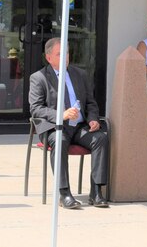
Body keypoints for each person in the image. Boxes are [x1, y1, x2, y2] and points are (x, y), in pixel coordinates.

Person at [29, 37, 109, 209]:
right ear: (49, 57)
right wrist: (61, 115)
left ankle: (96, 191)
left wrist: (93, 119)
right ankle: (64, 193)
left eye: (66, 53)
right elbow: (36, 109)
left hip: (79, 127)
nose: (65, 57)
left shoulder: (79, 74)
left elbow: (90, 102)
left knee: (100, 138)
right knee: (60, 141)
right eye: (59, 54)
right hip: (55, 127)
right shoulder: (39, 78)